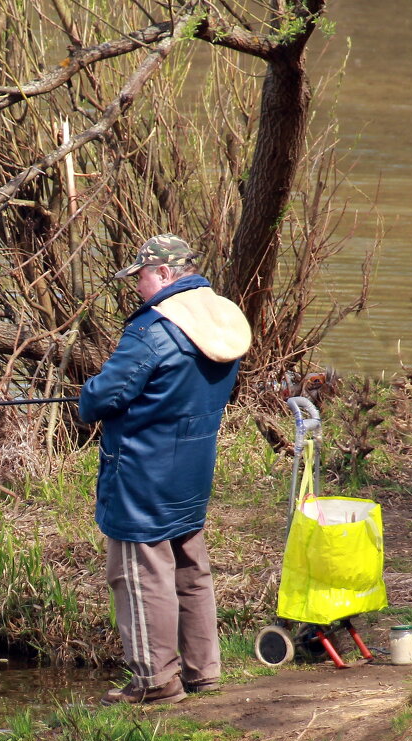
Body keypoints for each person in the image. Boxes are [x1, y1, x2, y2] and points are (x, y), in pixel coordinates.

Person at [79, 234, 252, 705]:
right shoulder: (221, 320)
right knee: (191, 570)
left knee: (139, 575)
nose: (136, 286)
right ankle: (203, 673)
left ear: (162, 274)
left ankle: (156, 682)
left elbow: (98, 399)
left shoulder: (152, 330)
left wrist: (88, 392)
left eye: (139, 276)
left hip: (142, 475)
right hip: (193, 467)